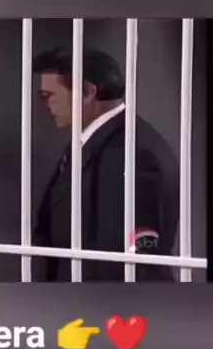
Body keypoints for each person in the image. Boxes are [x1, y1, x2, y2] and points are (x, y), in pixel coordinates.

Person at [32, 47, 179, 281]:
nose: (44, 104)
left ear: (87, 92)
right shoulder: (103, 139)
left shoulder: (129, 152)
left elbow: (124, 262)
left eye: (48, 95)